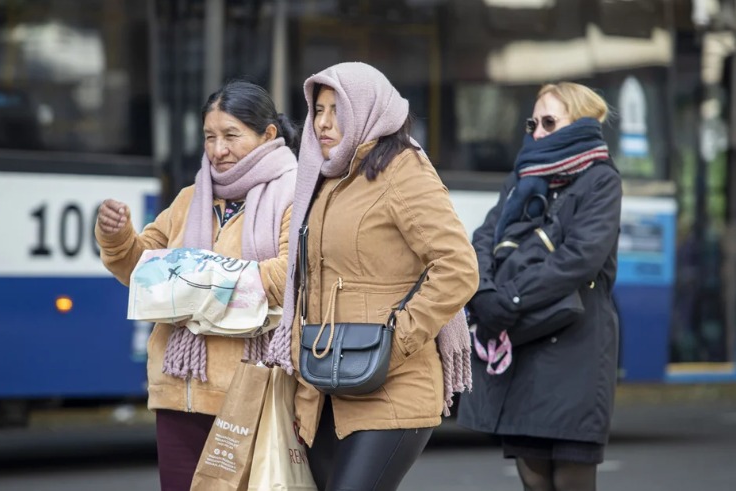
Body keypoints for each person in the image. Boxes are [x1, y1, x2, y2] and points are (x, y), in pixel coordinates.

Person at [265, 62, 479, 490]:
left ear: (365, 109)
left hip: (391, 384)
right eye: (317, 110)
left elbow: (458, 267)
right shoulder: (323, 179)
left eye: (335, 110)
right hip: (323, 384)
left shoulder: (403, 170)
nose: (323, 123)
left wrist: (395, 339)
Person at [94, 80, 300, 491]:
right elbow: (145, 270)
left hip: (249, 392)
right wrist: (116, 236)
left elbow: (289, 274)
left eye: (230, 136)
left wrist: (200, 280)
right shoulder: (191, 198)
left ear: (268, 135)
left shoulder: (295, 194)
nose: (217, 150)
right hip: (177, 391)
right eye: (209, 137)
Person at [457, 82, 622, 491]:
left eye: (550, 121)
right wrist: (483, 292)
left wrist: (511, 297)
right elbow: (484, 237)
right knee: (532, 477)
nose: (538, 131)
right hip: (524, 344)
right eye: (534, 122)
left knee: (570, 478)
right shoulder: (521, 177)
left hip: (575, 347)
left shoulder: (601, 180)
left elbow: (581, 256)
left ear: (581, 124)